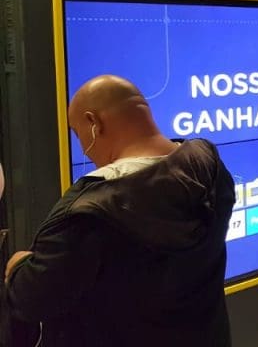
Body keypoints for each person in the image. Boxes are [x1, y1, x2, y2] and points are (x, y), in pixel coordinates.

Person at [4, 75, 234, 346]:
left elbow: (32, 300)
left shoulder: (86, 216)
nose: (85, 151)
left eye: (78, 134)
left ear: (94, 124)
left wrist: (19, 264)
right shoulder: (210, 169)